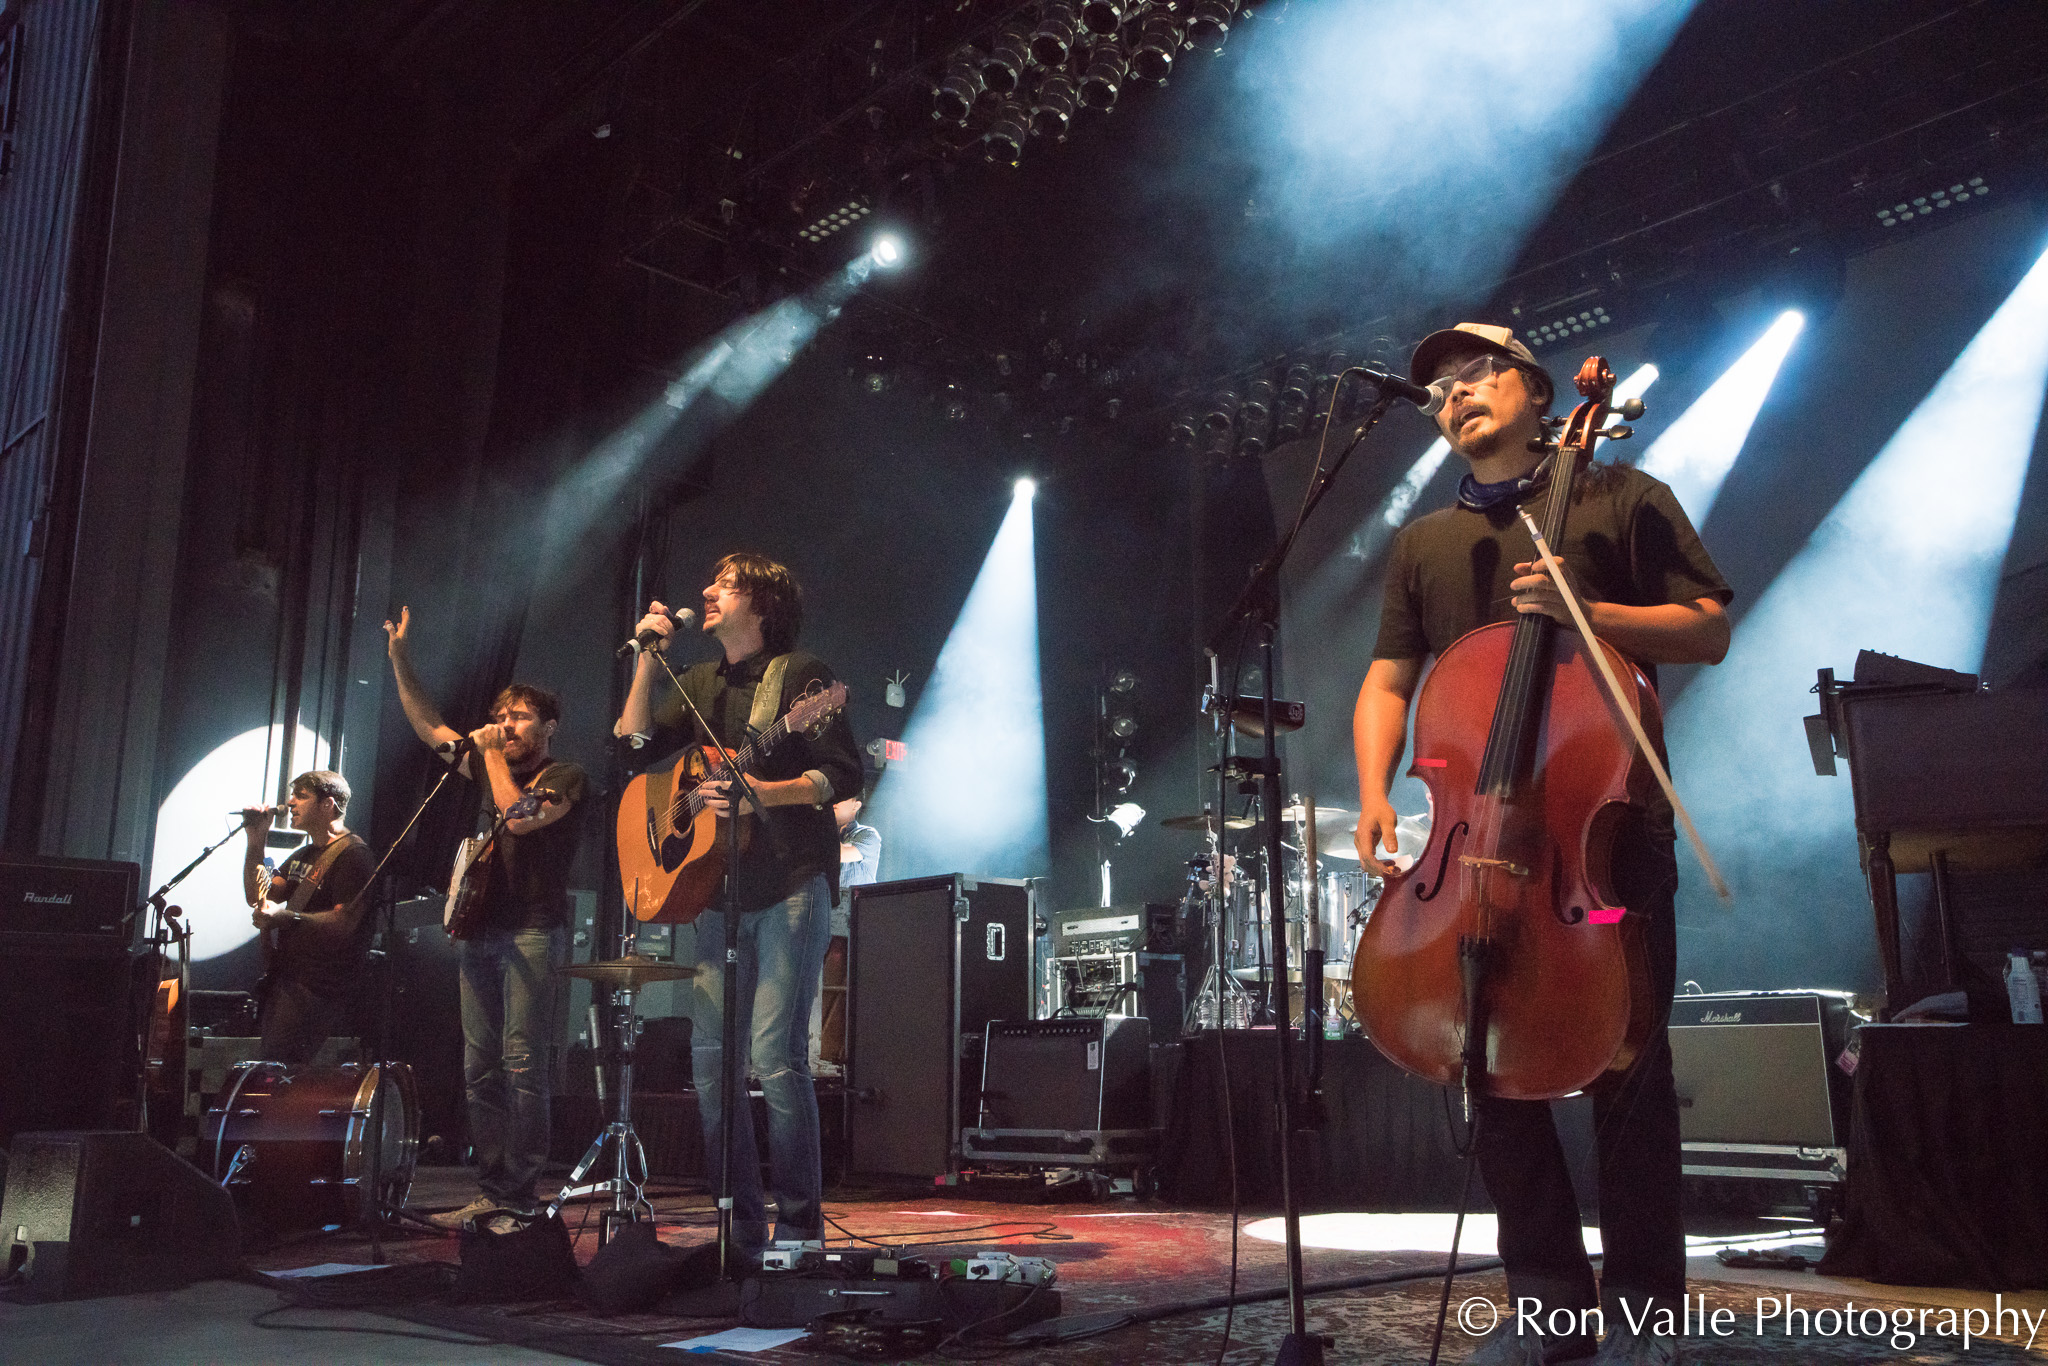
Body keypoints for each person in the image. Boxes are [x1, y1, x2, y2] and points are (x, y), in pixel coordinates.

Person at [1351, 324, 1732, 1366]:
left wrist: (1591, 611)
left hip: (1600, 847)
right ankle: (1546, 1301)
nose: (1453, 395)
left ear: (1534, 388)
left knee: (1627, 1067)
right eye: (1438, 389)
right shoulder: (1425, 544)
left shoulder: (1621, 497)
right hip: (1474, 843)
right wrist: (1373, 790)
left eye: (1475, 375)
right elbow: (1390, 679)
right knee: (1478, 1059)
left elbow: (1706, 626)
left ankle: (1645, 1307)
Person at [615, 553, 862, 1252]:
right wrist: (648, 658)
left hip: (789, 883)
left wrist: (763, 794)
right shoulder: (697, 680)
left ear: (761, 602)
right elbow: (633, 745)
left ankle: (800, 1232)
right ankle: (741, 1229)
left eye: (724, 585)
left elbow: (841, 775)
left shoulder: (803, 676)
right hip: (716, 892)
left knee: (775, 1058)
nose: (706, 591)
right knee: (710, 1065)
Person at [385, 607, 589, 1228]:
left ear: (549, 726)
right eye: (500, 715)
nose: (505, 724)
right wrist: (399, 658)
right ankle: (493, 1189)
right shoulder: (485, 762)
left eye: (518, 716)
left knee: (523, 1062)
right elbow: (429, 728)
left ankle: (521, 1197)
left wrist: (490, 754)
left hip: (532, 930)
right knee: (480, 1067)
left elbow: (520, 818)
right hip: (479, 929)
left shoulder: (565, 776)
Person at [241, 770, 376, 1064]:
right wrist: (256, 840)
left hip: (318, 986)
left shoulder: (354, 856)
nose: (290, 803)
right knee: (273, 1067)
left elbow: (345, 922)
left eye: (301, 796)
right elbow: (258, 895)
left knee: (278, 1070)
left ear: (328, 804)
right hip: (290, 979)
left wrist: (287, 917)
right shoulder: (304, 855)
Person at [814, 794, 881, 1071]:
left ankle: (838, 1055)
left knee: (841, 991)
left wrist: (813, 837)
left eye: (842, 799)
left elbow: (843, 853)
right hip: (822, 920)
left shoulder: (868, 835)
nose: (834, 802)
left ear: (856, 805)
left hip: (852, 927)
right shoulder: (824, 837)